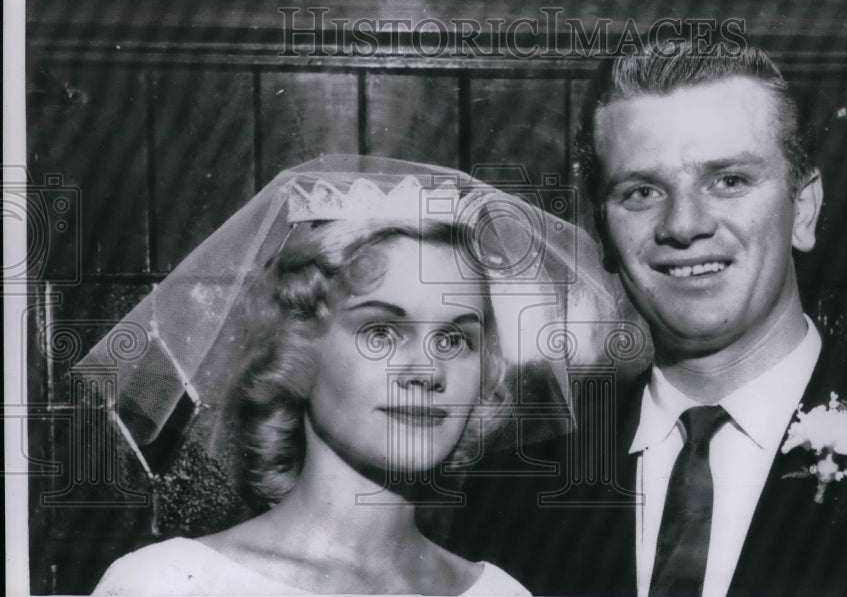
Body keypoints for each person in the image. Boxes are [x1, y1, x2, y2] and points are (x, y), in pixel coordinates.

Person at [445, 41, 847, 597]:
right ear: (603, 233)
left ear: (803, 211)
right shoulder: (513, 495)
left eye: (729, 180)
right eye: (641, 191)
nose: (683, 225)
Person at [80, 157, 622, 596]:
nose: (426, 370)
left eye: (455, 339)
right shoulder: (165, 586)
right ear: (299, 349)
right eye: (382, 333)